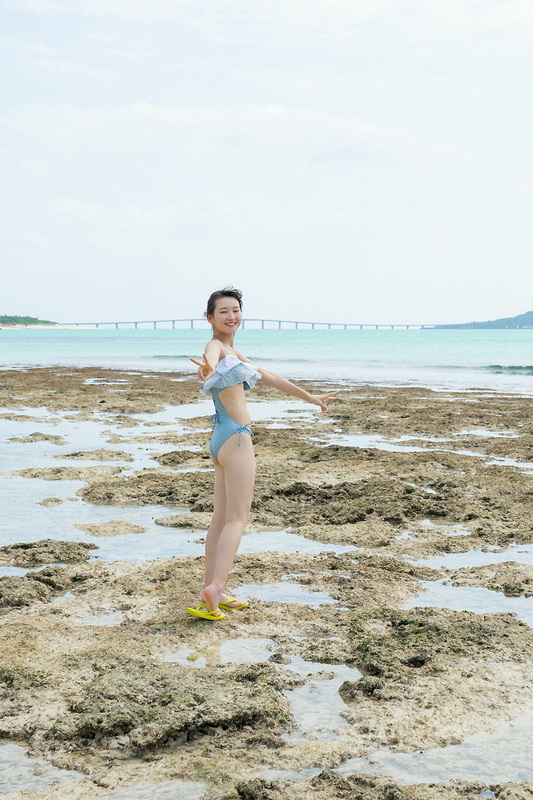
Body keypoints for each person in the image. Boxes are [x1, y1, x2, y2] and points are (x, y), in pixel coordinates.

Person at [186, 287, 339, 621]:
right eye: (223, 311)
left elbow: (269, 376)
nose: (231, 316)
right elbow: (210, 354)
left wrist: (310, 397)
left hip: (220, 438)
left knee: (220, 519)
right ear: (210, 318)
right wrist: (207, 367)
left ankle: (213, 589)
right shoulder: (217, 346)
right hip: (237, 438)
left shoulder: (233, 351)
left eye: (236, 310)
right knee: (236, 519)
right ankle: (216, 588)